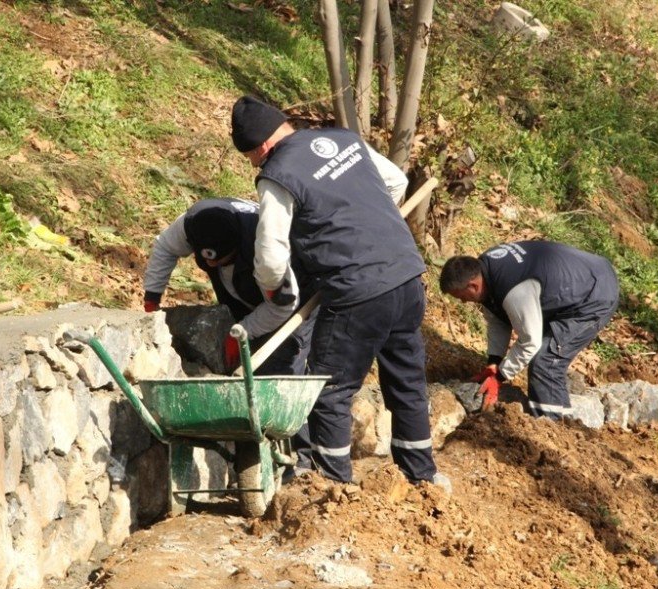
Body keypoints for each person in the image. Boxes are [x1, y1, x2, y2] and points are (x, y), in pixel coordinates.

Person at [229, 94, 447, 492]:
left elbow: (271, 256)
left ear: (259, 146)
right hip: (406, 276)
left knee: (330, 390)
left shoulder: (277, 174)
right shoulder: (343, 140)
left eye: (250, 157)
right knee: (407, 384)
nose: (254, 165)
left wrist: (273, 290)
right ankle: (423, 478)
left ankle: (332, 490)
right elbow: (396, 182)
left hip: (356, 290)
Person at [439, 240, 619, 420]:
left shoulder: (515, 289)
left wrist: (499, 378)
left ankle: (551, 428)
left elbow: (530, 342)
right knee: (545, 357)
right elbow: (498, 319)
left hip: (594, 294)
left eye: (461, 297)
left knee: (546, 361)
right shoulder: (485, 270)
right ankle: (558, 420)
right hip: (578, 280)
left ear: (473, 286)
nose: (462, 302)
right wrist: (494, 362)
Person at [142, 197, 309, 377]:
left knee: (277, 369)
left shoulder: (267, 249)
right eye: (206, 260)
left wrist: (244, 331)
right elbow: (165, 247)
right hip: (244, 290)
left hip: (298, 303)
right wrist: (152, 298)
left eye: (220, 260)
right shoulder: (195, 222)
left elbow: (281, 306)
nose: (211, 265)